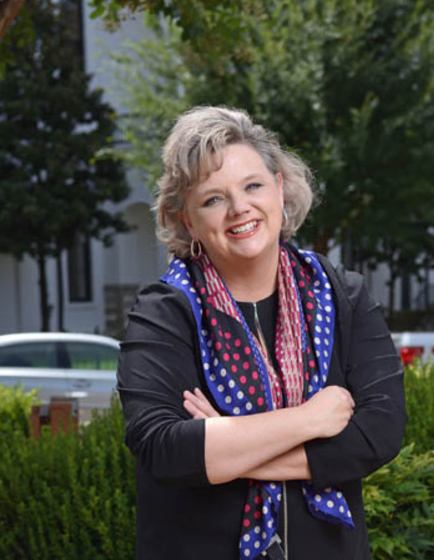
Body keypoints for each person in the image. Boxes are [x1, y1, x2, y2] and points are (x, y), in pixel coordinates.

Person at [117, 106, 406, 560]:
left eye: (252, 185)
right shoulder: (164, 313)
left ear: (279, 186)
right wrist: (310, 419)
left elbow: (379, 434)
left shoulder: (341, 295)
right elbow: (164, 450)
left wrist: (227, 447)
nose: (239, 209)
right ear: (188, 221)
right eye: (213, 199)